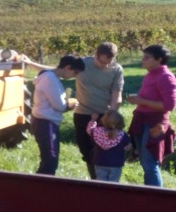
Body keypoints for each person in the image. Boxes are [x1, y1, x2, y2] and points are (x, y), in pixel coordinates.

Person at [23, 42, 125, 179]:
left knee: (103, 151)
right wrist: (30, 64)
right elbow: (57, 70)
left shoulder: (116, 69)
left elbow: (116, 94)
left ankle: (103, 181)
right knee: (86, 150)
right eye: (102, 62)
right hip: (83, 113)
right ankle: (96, 180)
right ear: (96, 55)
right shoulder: (82, 65)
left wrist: (111, 116)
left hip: (104, 115)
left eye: (109, 62)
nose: (105, 66)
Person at [126, 44, 176, 187]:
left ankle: (156, 198)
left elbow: (169, 106)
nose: (143, 60)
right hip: (142, 121)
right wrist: (139, 101)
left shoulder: (166, 77)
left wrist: (141, 101)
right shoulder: (150, 75)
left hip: (155, 124)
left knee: (149, 164)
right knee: (145, 162)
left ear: (159, 59)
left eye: (147, 57)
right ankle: (150, 194)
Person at [30, 55, 85, 175]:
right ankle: (41, 188)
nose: (74, 76)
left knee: (49, 160)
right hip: (45, 122)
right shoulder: (50, 79)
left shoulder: (49, 75)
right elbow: (59, 106)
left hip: (43, 120)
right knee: (50, 162)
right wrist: (70, 104)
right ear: (68, 67)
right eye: (75, 72)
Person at [86, 111, 131, 183]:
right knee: (114, 183)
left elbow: (89, 130)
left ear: (103, 120)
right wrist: (129, 146)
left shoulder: (96, 132)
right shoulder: (122, 135)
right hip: (116, 164)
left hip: (99, 162)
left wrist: (93, 120)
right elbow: (127, 146)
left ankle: (101, 194)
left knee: (101, 183)